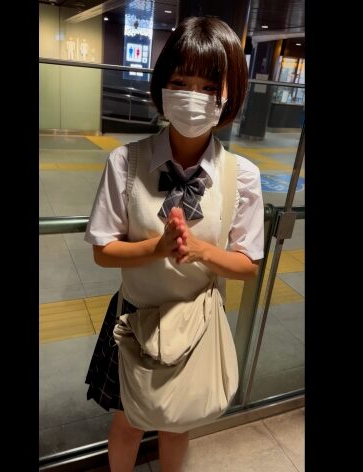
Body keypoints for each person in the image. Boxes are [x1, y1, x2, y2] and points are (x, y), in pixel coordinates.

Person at [84, 16, 264, 472]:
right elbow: (103, 251)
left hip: (196, 321)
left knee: (177, 425)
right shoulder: (125, 163)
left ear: (229, 96)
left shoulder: (242, 175)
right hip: (133, 317)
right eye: (181, 83)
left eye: (209, 87)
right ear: (162, 85)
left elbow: (248, 266)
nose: (193, 96)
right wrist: (157, 248)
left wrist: (200, 251)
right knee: (127, 422)